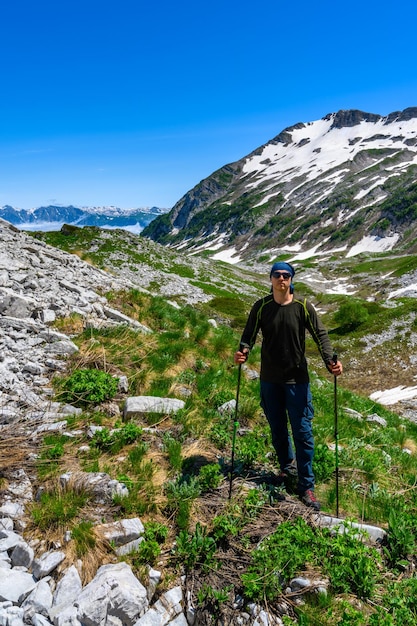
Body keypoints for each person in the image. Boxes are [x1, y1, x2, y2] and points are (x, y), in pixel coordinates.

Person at [234, 262, 342, 511]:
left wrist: (330, 361)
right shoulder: (261, 307)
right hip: (270, 379)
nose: (281, 279)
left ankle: (307, 486)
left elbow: (320, 335)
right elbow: (247, 336)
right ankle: (287, 469)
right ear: (270, 278)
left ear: (291, 279)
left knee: (302, 432)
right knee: (278, 428)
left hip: (297, 380)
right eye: (277, 275)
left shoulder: (303, 306)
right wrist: (243, 353)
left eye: (286, 275)